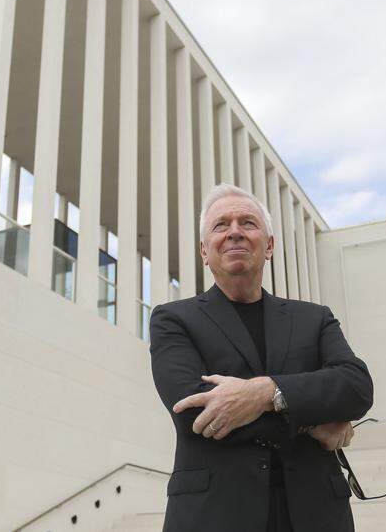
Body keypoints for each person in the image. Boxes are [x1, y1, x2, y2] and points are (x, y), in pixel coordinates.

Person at [149, 184, 374, 532]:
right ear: (204, 251)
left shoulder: (313, 318)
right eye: (221, 225)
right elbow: (194, 409)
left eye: (248, 223)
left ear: (269, 246)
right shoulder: (173, 319)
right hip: (214, 515)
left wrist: (266, 393)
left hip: (317, 515)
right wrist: (312, 421)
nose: (235, 231)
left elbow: (356, 386)